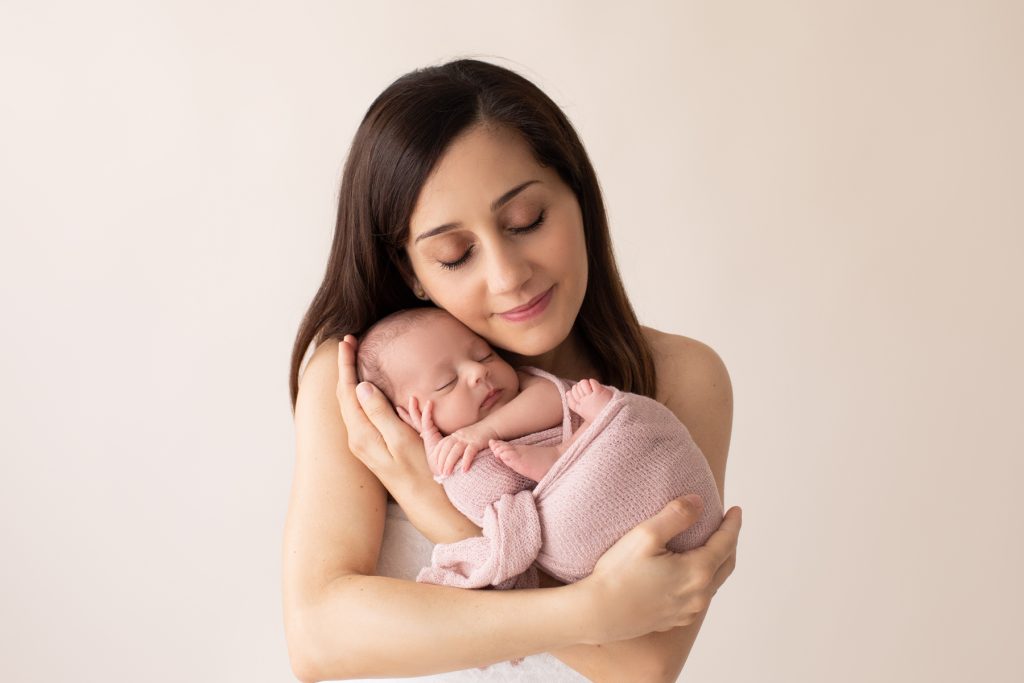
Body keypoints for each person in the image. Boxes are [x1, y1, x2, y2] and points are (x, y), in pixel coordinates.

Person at [284, 58, 742, 682]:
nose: (507, 276)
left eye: (526, 221)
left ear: (577, 195)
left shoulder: (681, 377)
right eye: (454, 254)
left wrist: (435, 506)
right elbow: (319, 640)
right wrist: (590, 608)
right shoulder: (365, 387)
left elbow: (643, 666)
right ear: (411, 271)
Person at [353, 306, 724, 595]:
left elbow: (554, 398)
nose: (477, 373)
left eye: (483, 356)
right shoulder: (454, 452)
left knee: (611, 409)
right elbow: (481, 500)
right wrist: (435, 446)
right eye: (447, 383)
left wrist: (484, 431)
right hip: (575, 519)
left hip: (622, 463)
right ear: (411, 416)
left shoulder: (527, 390)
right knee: (472, 482)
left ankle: (567, 451)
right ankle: (559, 462)